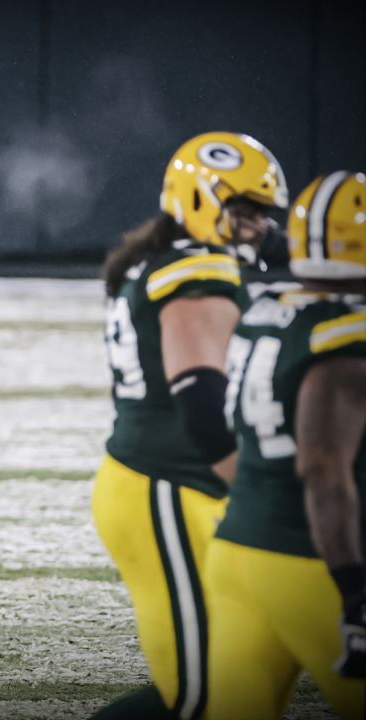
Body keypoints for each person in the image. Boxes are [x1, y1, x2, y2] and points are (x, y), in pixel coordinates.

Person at [91, 131, 287, 720]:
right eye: (245, 210)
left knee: (249, 685)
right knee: (207, 699)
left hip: (178, 482)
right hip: (166, 486)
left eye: (263, 214)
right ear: (201, 198)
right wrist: (259, 494)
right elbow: (201, 399)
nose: (258, 226)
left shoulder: (178, 261)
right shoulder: (195, 269)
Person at [204, 171, 366, 719]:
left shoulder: (264, 306)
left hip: (236, 549)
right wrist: (354, 589)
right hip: (308, 561)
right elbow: (322, 468)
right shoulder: (344, 335)